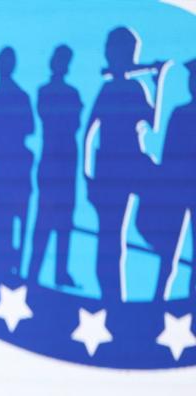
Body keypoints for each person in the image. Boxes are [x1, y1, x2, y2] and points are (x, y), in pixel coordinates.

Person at [83, 26, 165, 301]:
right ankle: (112, 296)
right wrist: (87, 175)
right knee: (110, 237)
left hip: (132, 163)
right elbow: (88, 132)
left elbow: (152, 123)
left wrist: (158, 82)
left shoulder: (135, 87)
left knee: (162, 186)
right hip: (109, 169)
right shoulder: (108, 90)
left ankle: (157, 236)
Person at [137, 57, 196, 299]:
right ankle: (159, 298)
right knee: (168, 250)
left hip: (182, 189)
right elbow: (168, 154)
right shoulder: (180, 114)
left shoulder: (181, 114)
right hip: (177, 191)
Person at [0, 46, 35, 275]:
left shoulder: (19, 97)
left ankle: (13, 267)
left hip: (14, 167)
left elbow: (29, 128)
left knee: (13, 218)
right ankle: (0, 267)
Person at [29, 45, 83, 287]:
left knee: (65, 221)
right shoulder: (46, 91)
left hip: (67, 161)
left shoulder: (72, 93)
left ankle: (61, 272)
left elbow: (75, 124)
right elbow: (52, 118)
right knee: (44, 218)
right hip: (52, 161)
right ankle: (33, 272)